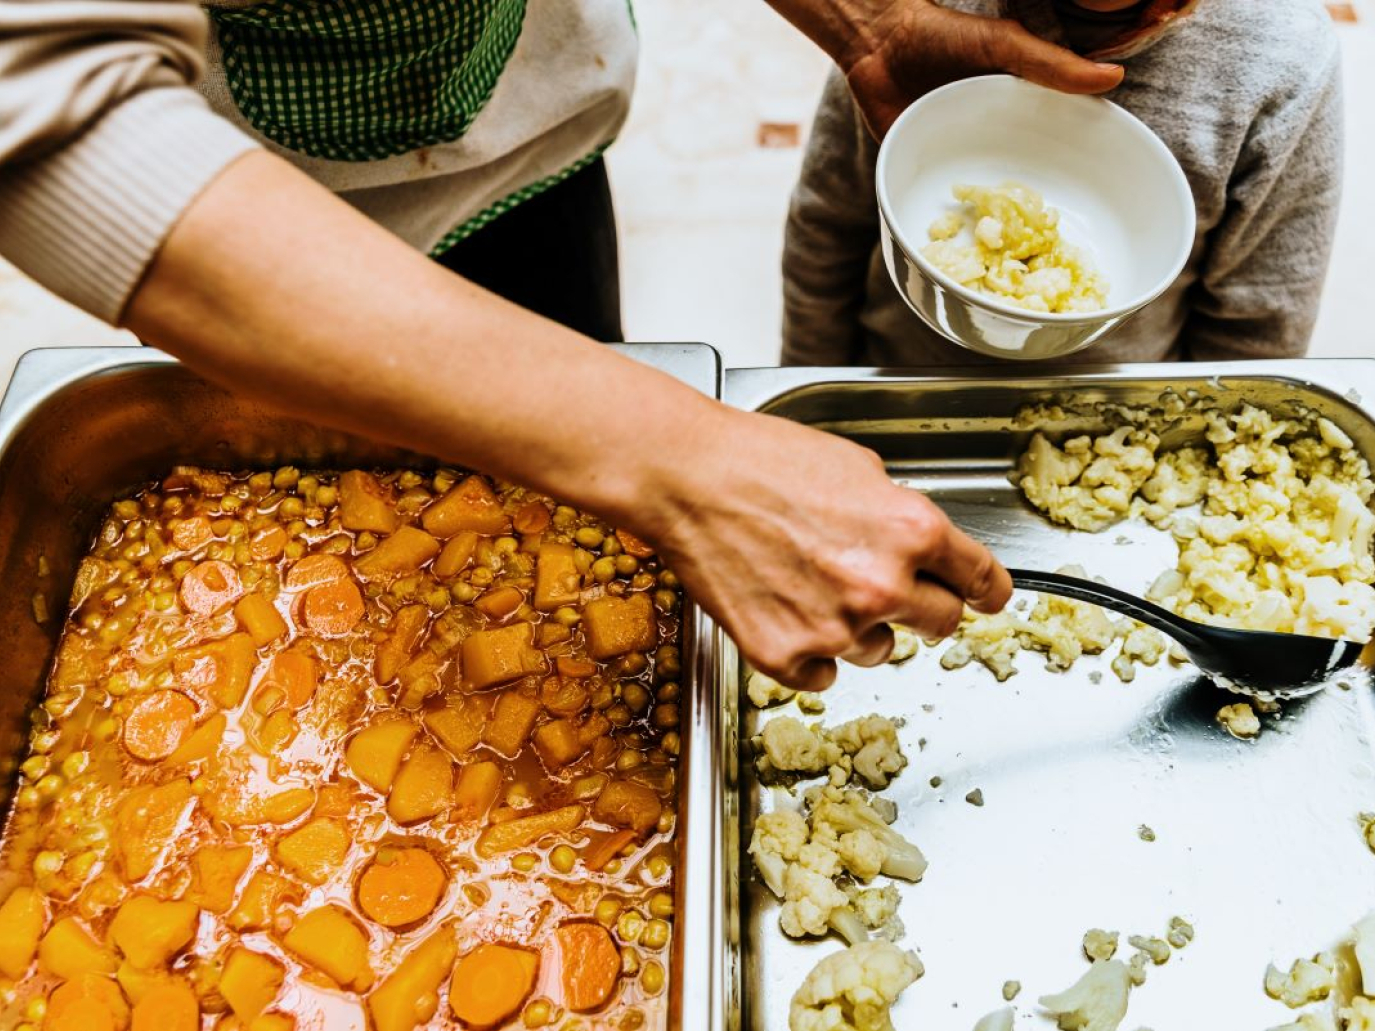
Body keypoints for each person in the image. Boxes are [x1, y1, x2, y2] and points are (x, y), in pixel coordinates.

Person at [0, 1, 1120, 687]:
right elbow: (50, 99)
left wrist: (860, 23)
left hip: (528, 124)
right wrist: (679, 455)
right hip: (257, 216)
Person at [782, 0, 1344, 368]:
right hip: (896, 380)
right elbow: (827, 232)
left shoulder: (1285, 54)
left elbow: (1258, 328)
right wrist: (809, 398)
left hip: (1115, 439)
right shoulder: (905, 9)